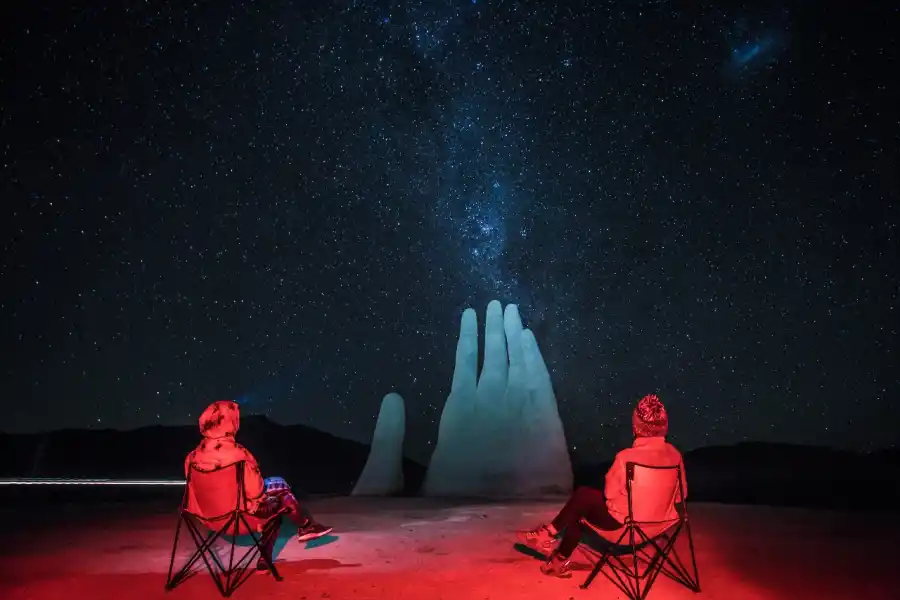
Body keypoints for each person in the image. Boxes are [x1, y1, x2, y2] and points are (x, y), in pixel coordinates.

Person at [516, 394, 687, 578]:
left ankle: (547, 536)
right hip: (659, 527)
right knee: (581, 506)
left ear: (636, 426)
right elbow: (681, 495)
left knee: (582, 498)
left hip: (626, 529)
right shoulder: (675, 456)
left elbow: (609, 493)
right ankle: (554, 556)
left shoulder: (627, 458)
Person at [184, 400, 333, 571]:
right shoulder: (238, 455)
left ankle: (305, 527)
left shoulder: (191, 458)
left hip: (209, 520)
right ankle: (303, 528)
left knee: (278, 496)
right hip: (238, 519)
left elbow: (193, 493)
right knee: (280, 497)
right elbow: (256, 493)